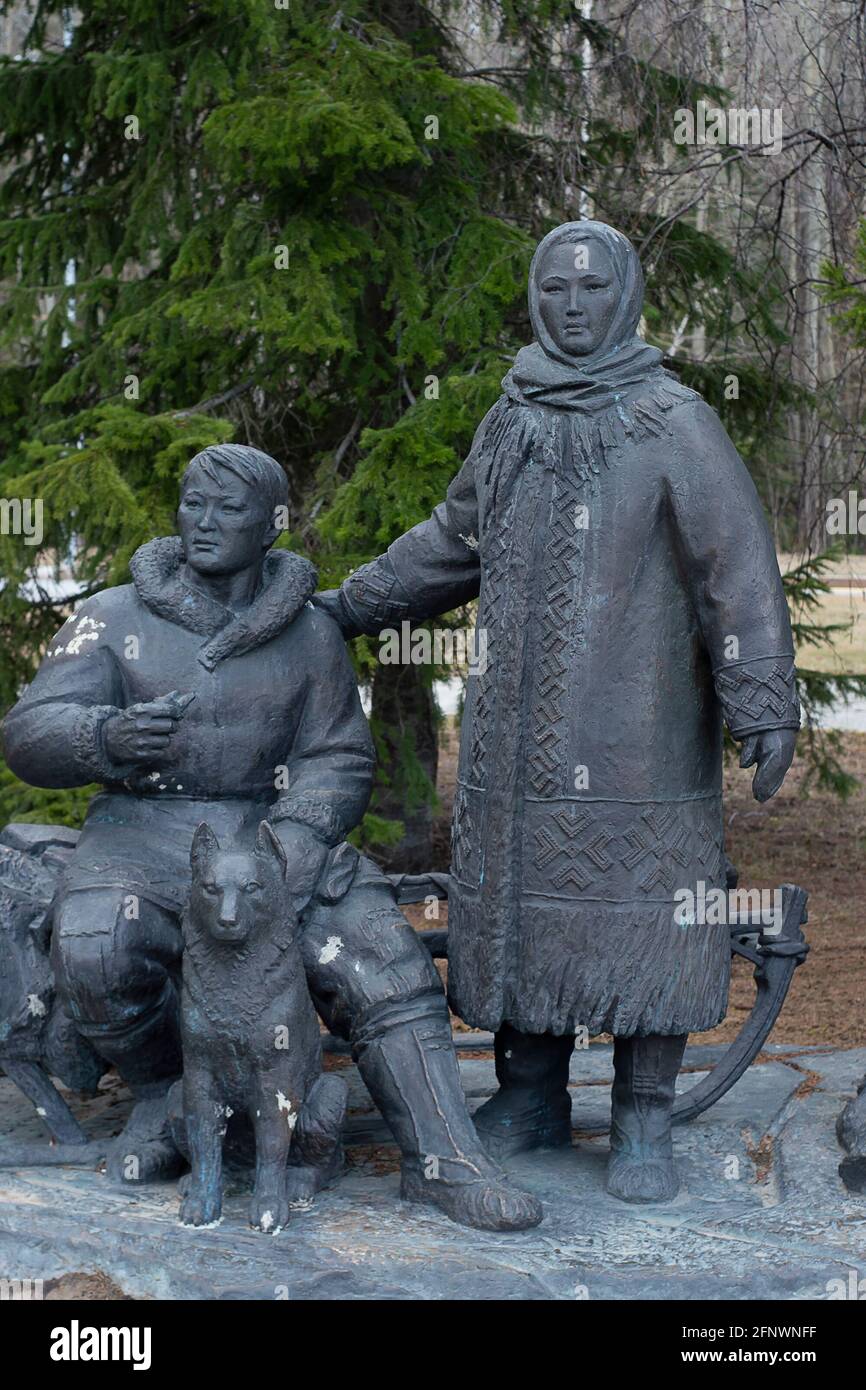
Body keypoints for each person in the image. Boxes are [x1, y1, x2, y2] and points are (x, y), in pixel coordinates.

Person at [316, 221, 800, 1203]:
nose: (571, 305)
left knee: (638, 920)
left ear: (621, 296)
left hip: (638, 730)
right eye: (554, 288)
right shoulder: (512, 419)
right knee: (516, 915)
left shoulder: (671, 420)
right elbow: (450, 542)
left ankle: (640, 1115)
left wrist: (759, 694)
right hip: (513, 736)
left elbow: (735, 568)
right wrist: (348, 604)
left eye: (590, 287)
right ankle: (528, 1092)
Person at [2, 443, 540, 1231]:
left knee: (377, 955)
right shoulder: (112, 618)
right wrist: (106, 737)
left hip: (274, 833)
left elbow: (337, 758)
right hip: (143, 833)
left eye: (229, 509)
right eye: (193, 503)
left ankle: (444, 1160)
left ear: (272, 526)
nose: (205, 522)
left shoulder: (309, 632)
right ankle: (168, 1099)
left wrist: (292, 843)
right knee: (95, 942)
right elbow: (27, 733)